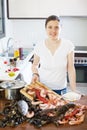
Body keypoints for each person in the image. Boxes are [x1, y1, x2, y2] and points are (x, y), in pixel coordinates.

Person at [31, 15, 76, 95]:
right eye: (50, 27)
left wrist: (74, 90)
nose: (53, 31)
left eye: (56, 27)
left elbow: (71, 68)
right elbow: (35, 65)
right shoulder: (39, 45)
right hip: (43, 88)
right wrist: (35, 74)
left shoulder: (68, 45)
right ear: (46, 28)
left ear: (60, 28)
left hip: (61, 89)